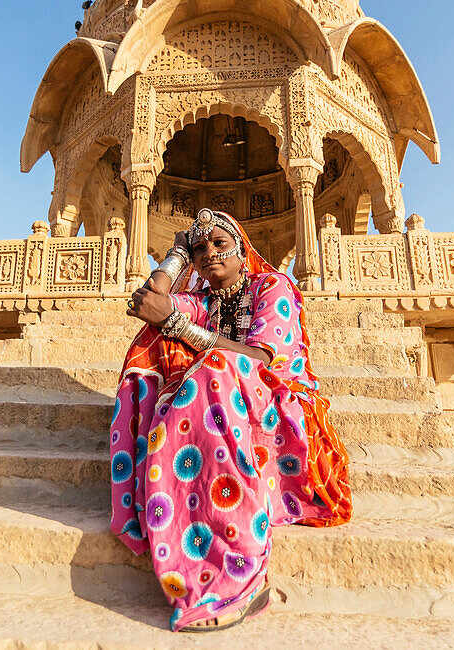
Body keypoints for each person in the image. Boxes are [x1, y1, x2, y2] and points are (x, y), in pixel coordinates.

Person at [111, 208, 351, 632]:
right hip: (215, 401)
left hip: (276, 407)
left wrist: (178, 325)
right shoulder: (204, 301)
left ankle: (238, 575)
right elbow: (151, 301)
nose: (210, 255)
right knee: (155, 342)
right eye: (201, 248)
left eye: (220, 245)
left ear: (243, 252)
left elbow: (260, 358)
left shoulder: (272, 286)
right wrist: (176, 255)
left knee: (216, 366)